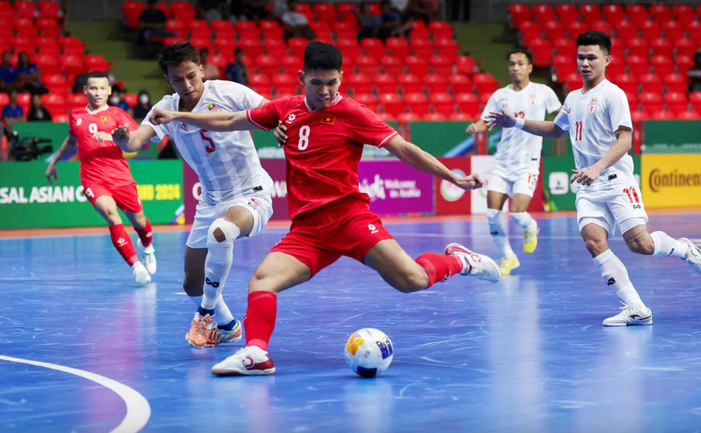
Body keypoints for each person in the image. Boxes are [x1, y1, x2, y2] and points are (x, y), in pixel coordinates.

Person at [148, 42, 501, 376]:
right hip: (308, 230)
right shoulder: (283, 110)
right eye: (317, 83)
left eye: (333, 83)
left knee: (412, 280)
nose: (326, 91)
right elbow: (227, 121)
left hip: (350, 219)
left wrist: (450, 176)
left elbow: (404, 149)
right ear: (302, 79)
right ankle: (256, 352)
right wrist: (175, 116)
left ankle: (460, 260)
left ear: (341, 79)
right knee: (262, 280)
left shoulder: (353, 113)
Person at [487, 31, 701, 326]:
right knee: (593, 241)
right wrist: (517, 122)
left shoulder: (613, 94)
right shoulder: (573, 97)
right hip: (587, 187)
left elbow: (625, 140)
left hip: (615, 180)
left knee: (641, 245)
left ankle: (686, 249)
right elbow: (554, 129)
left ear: (606, 60)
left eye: (591, 57)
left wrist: (597, 167)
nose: (585, 63)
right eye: (580, 57)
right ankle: (635, 307)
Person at [108, 42, 274, 349]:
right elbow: (135, 142)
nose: (186, 85)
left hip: (251, 191)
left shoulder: (228, 93)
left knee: (221, 232)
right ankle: (228, 326)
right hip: (211, 200)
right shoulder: (165, 110)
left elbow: (269, 111)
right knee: (192, 284)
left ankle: (206, 314)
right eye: (177, 79)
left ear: (201, 70)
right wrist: (123, 139)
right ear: (167, 80)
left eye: (191, 76)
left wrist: (277, 126)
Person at [46, 71, 157, 285]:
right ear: (86, 90)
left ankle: (148, 248)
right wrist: (54, 161)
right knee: (111, 215)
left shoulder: (117, 114)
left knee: (139, 221)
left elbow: (137, 141)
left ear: (109, 91)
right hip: (92, 179)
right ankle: (135, 266)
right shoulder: (76, 116)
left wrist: (113, 138)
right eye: (93, 88)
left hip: (120, 177)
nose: (98, 93)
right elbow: (71, 140)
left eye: (102, 88)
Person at [466, 49, 561, 275]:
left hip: (527, 163)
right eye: (511, 64)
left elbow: (560, 114)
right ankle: (508, 257)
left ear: (529, 67)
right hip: (502, 163)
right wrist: (476, 128)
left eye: (520, 63)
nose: (515, 68)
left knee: (518, 214)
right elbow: (484, 121)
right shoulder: (500, 96)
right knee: (491, 215)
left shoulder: (543, 91)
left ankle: (531, 226)